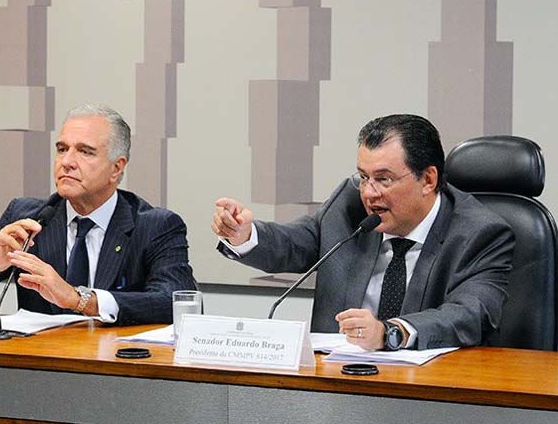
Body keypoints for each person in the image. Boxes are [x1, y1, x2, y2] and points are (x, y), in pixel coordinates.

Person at [212, 114, 514, 350]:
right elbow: (295, 243)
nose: (369, 193)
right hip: (337, 385)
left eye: (384, 179)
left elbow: (470, 314)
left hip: (430, 391)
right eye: (363, 177)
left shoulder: (480, 233)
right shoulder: (349, 204)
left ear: (428, 180)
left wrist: (390, 332)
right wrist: (244, 234)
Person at [0, 104, 197, 325]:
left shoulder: (155, 225)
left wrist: (81, 300)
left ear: (116, 168)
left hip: (117, 366)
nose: (67, 162)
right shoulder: (27, 217)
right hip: (42, 366)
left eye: (85, 152)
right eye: (62, 149)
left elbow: (177, 303)